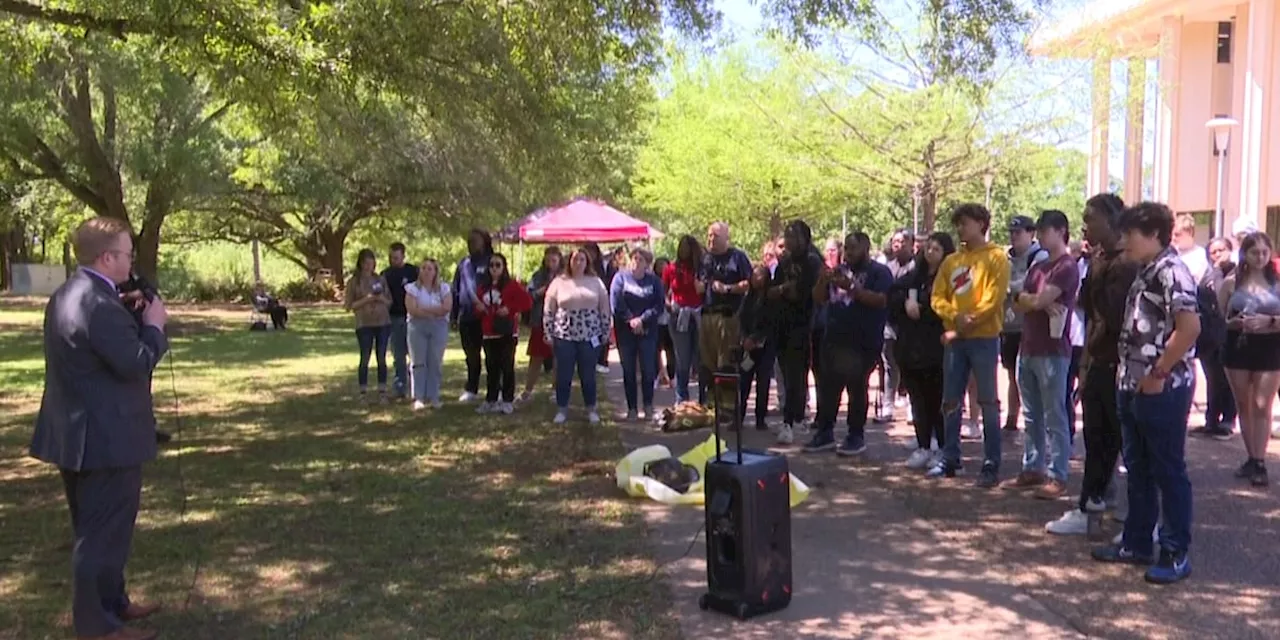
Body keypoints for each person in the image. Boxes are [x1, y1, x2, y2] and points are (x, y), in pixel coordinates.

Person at [30, 217, 168, 640]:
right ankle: (97, 626)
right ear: (106, 258)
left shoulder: (69, 295)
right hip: (107, 438)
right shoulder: (99, 305)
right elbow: (136, 361)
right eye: (127, 254)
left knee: (101, 528)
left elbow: (98, 353)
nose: (131, 263)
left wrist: (130, 319)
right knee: (100, 534)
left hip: (75, 434)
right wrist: (155, 326)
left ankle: (113, 603)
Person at [1091, 201, 1199, 585]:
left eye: (1130, 234)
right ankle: (1137, 542)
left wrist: (1159, 371)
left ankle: (1175, 551)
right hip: (1131, 384)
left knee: (1168, 470)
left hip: (1161, 388)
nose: (1124, 241)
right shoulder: (1145, 271)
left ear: (1154, 234)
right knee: (1138, 468)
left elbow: (1189, 328)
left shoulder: (1172, 271)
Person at [1047, 193, 1138, 536]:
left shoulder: (1126, 263)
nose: (1085, 224)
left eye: (1091, 217)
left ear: (1112, 221)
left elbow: (1113, 314)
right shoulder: (1098, 259)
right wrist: (1085, 364)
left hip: (1121, 362)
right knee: (1097, 437)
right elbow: (1087, 309)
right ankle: (1092, 502)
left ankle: (1123, 512)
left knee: (1117, 440)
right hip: (1098, 358)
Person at [928, 203, 1011, 486]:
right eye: (958, 224)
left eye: (965, 223)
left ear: (980, 223)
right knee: (950, 400)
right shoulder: (951, 262)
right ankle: (951, 457)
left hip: (984, 339)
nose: (961, 228)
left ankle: (991, 463)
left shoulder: (997, 258)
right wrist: (954, 317)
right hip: (956, 340)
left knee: (988, 401)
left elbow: (994, 298)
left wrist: (968, 321)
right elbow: (937, 296)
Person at [1003, 210, 1080, 500]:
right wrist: (1035, 301)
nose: (1041, 235)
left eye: (1046, 230)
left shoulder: (1065, 266)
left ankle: (1058, 473)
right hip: (1028, 346)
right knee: (1032, 414)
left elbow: (1040, 299)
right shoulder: (1039, 267)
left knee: (1054, 414)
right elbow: (1019, 300)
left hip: (1053, 350)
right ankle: (1032, 467)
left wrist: (1035, 301)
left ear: (1060, 231)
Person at [804, 231, 894, 455]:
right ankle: (825, 433)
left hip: (863, 341)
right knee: (828, 387)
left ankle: (856, 436)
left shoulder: (878, 272)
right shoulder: (839, 271)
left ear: (865, 247)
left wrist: (851, 288)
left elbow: (881, 300)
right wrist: (823, 281)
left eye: (853, 248)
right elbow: (818, 298)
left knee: (856, 387)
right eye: (846, 248)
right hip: (834, 338)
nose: (848, 252)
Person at [1220, 231, 1280, 487]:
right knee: (1243, 404)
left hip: (1270, 347)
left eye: (1265, 252)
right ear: (1245, 254)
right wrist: (1232, 323)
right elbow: (1222, 316)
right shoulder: (1231, 282)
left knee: (1262, 404)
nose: (1260, 257)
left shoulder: (1277, 283)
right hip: (1238, 346)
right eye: (1255, 252)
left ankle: (1260, 460)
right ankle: (1251, 457)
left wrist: (1271, 320)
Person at [890, 231, 954, 469]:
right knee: (918, 399)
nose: (930, 253)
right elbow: (895, 292)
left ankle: (943, 446)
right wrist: (905, 303)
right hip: (911, 346)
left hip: (936, 346)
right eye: (928, 248)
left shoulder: (948, 278)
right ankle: (923, 445)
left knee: (936, 398)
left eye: (936, 249)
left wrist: (924, 309)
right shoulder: (914, 277)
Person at [769, 220, 824, 445]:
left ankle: (792, 420)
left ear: (805, 238)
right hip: (783, 323)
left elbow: (801, 294)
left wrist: (784, 290)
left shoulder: (813, 261)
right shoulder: (783, 262)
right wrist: (783, 289)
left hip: (806, 324)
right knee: (786, 372)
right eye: (787, 235)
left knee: (799, 374)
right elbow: (772, 291)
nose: (789, 240)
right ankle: (794, 416)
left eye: (793, 235)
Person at [544, 246, 613, 424]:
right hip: (564, 335)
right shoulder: (559, 282)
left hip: (590, 335)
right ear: (569, 261)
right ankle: (562, 409)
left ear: (587, 262)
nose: (579, 262)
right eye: (575, 259)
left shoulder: (596, 282)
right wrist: (548, 332)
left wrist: (606, 331)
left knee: (588, 375)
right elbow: (549, 309)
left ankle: (591, 409)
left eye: (582, 259)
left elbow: (604, 308)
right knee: (564, 374)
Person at [699, 222, 754, 425]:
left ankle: (729, 408)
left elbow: (750, 282)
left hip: (728, 317)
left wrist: (728, 288)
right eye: (709, 235)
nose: (711, 239)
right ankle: (712, 406)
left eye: (715, 236)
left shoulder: (737, 257)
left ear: (725, 238)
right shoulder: (705, 259)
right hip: (707, 316)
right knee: (708, 364)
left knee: (727, 363)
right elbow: (700, 283)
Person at [1002, 215, 1051, 432]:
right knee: (1012, 372)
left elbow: (1029, 284)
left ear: (1031, 234)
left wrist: (1010, 288)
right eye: (1012, 233)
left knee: (1036, 377)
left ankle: (1039, 423)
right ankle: (1012, 416)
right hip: (1009, 324)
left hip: (1031, 326)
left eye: (1019, 232)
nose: (1014, 237)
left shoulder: (1039, 257)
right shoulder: (1005, 257)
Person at [611, 247, 665, 421]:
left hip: (648, 331)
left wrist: (642, 320)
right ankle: (632, 408)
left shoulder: (654, 281)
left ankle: (648, 406)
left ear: (647, 264)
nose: (636, 261)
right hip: (625, 332)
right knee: (628, 371)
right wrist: (631, 320)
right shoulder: (620, 278)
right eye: (634, 258)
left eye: (640, 259)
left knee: (648, 370)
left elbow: (659, 305)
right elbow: (616, 303)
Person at [475, 253, 532, 415]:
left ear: (503, 267)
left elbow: (527, 302)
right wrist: (479, 310)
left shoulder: (512, 285)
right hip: (489, 332)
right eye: (491, 265)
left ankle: (507, 400)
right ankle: (491, 399)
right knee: (491, 367)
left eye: (498, 265)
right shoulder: (482, 288)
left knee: (507, 366)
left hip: (507, 332)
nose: (494, 268)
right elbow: (478, 309)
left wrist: (511, 309)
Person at [1192, 237, 1237, 440]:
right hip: (1210, 335)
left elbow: (1221, 297)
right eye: (1213, 252)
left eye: (1221, 250)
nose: (1217, 255)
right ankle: (1211, 421)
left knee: (1228, 381)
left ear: (1230, 250)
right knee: (1213, 380)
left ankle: (1227, 421)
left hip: (1231, 335)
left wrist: (1218, 271)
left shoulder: (1237, 273)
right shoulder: (1208, 274)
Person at [450, 229, 494, 403]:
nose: (471, 244)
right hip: (467, 316)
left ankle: (494, 389)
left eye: (475, 240)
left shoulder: (492, 261)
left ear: (484, 241)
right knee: (471, 355)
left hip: (487, 316)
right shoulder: (464, 264)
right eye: (469, 241)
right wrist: (454, 316)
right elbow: (455, 289)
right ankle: (471, 388)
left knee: (492, 354)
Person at [344, 249, 393, 402]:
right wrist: (367, 299)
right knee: (365, 357)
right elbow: (348, 305)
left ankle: (382, 390)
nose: (369, 267)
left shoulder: (380, 279)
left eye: (371, 263)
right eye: (366, 263)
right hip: (364, 324)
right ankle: (363, 391)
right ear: (360, 263)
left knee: (381, 357)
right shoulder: (354, 282)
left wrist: (380, 298)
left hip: (383, 323)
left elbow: (389, 301)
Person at [662, 236, 706, 404]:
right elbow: (664, 291)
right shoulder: (671, 268)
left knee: (701, 359)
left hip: (698, 314)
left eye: (688, 247)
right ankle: (682, 399)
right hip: (679, 315)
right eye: (682, 247)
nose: (684, 250)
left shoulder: (700, 268)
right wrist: (669, 305)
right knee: (682, 358)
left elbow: (704, 290)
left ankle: (704, 399)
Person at [405, 258, 451, 411]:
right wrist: (433, 311)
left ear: (435, 271)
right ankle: (418, 396)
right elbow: (412, 309)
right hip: (417, 327)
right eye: (423, 268)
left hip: (439, 327)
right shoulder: (412, 288)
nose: (426, 271)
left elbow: (446, 307)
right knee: (418, 362)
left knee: (435, 361)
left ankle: (434, 396)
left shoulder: (443, 288)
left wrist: (424, 309)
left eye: (429, 268)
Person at [880, 229, 916, 419]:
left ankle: (912, 404)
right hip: (888, 323)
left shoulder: (916, 268)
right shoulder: (887, 268)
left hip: (909, 325)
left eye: (902, 241)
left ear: (911, 244)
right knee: (889, 365)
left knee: (908, 365)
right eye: (894, 241)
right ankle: (888, 404)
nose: (897, 245)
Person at [737, 265, 777, 431]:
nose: (756, 278)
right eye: (754, 275)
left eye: (760, 275)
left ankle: (760, 418)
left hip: (765, 346)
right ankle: (739, 417)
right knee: (743, 381)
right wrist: (745, 338)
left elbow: (772, 323)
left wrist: (756, 338)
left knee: (763, 382)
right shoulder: (748, 298)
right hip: (748, 348)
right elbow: (741, 319)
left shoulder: (771, 299)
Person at [521, 246, 562, 404]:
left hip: (559, 322)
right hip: (540, 320)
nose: (551, 263)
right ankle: (528, 390)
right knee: (536, 358)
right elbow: (529, 294)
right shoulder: (538, 276)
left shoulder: (564, 276)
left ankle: (555, 390)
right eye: (548, 259)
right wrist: (543, 290)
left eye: (554, 259)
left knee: (558, 358)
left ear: (559, 260)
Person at [382, 242, 418, 399]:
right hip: (394, 318)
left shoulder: (413, 272)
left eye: (396, 257)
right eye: (391, 257)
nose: (393, 260)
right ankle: (400, 387)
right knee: (398, 355)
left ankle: (417, 386)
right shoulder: (385, 274)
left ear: (403, 256)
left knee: (415, 354)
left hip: (412, 317)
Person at [653, 257, 677, 387]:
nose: (662, 268)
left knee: (670, 349)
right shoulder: (653, 282)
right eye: (660, 265)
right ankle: (658, 375)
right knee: (655, 349)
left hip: (670, 320)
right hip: (657, 321)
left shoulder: (673, 282)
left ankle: (672, 376)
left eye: (665, 265)